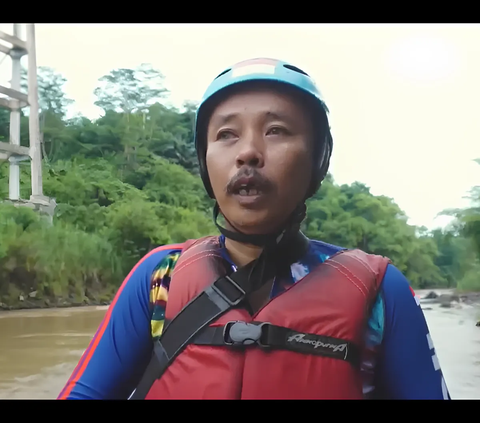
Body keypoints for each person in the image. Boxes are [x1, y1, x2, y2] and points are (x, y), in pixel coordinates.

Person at [58, 57, 450, 400]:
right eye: (226, 134)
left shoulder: (381, 292)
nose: (247, 152)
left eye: (276, 130)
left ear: (317, 159)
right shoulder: (159, 277)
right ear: (205, 162)